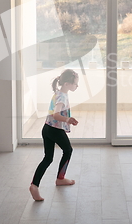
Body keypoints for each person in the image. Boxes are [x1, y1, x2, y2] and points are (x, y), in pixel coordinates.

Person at [29, 69, 79, 201]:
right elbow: (56, 114)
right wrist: (68, 120)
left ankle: (34, 185)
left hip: (47, 128)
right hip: (55, 130)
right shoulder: (62, 96)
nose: (76, 86)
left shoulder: (58, 93)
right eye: (75, 84)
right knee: (68, 150)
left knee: (48, 158)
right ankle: (60, 179)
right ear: (67, 83)